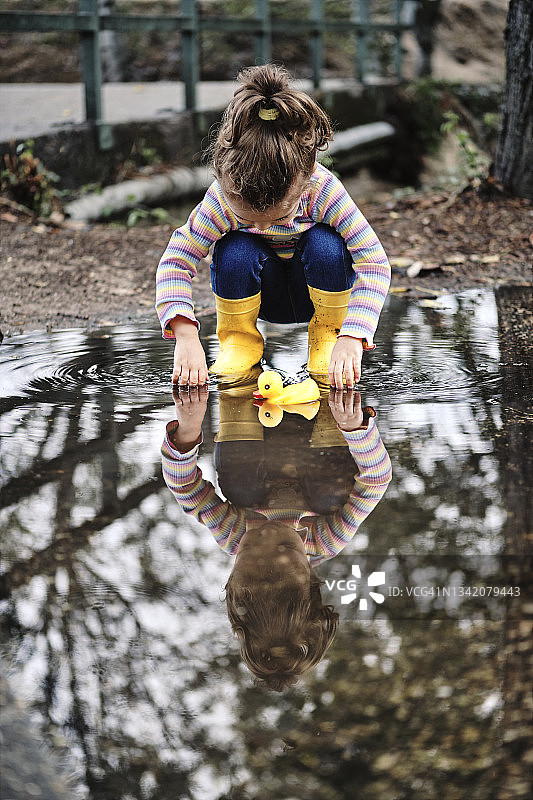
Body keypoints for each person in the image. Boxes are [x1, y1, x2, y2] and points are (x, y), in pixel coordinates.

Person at [155, 64, 391, 389]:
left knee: (325, 242)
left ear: (305, 180)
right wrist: (184, 332)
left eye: (278, 218)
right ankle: (239, 346)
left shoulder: (323, 191)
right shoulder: (221, 200)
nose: (263, 226)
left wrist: (353, 334)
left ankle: (327, 340)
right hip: (259, 296)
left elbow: (374, 263)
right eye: (248, 218)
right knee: (235, 247)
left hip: (320, 295)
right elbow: (176, 261)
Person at [162, 382, 392, 690]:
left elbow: (186, 488)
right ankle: (331, 394)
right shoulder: (326, 539)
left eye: (253, 546)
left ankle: (237, 384)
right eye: (285, 545)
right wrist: (356, 428)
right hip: (323, 425)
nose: (268, 534)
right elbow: (375, 482)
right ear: (311, 575)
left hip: (255, 417)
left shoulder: (231, 532)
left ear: (231, 579)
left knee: (242, 489)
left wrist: (188, 430)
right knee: (329, 496)